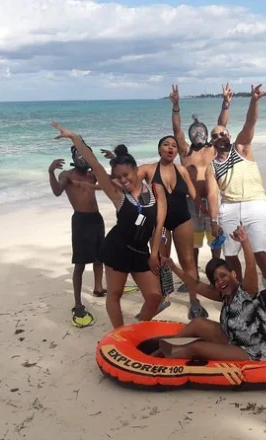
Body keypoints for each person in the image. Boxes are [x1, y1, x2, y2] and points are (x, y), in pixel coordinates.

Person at [51, 121, 167, 329]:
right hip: (117, 250)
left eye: (126, 175)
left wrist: (154, 253)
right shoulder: (117, 194)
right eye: (118, 177)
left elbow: (159, 224)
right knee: (114, 294)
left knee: (154, 296)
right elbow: (95, 164)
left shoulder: (155, 190)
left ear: (136, 169)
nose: (123, 180)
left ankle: (138, 328)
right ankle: (120, 333)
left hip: (141, 251)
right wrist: (74, 138)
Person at [102, 135, 206, 319]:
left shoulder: (181, 170)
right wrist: (116, 161)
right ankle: (163, 298)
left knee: (188, 261)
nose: (170, 148)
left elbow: (193, 194)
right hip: (159, 223)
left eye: (174, 145)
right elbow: (127, 178)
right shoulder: (148, 169)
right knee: (160, 261)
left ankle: (194, 301)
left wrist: (208, 214)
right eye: (166, 144)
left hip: (182, 219)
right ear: (159, 149)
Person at [155, 223, 266, 361]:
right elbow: (195, 285)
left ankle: (159, 363)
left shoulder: (247, 291)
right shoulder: (224, 295)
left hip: (255, 351)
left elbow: (251, 265)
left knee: (195, 348)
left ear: (233, 274)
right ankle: (160, 352)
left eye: (223, 276)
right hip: (234, 339)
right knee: (197, 323)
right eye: (216, 280)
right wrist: (173, 267)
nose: (220, 281)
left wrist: (245, 241)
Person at [206, 83, 266, 290]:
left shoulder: (241, 149)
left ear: (229, 136)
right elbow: (212, 195)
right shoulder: (212, 166)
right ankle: (241, 288)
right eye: (215, 136)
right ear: (211, 142)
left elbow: (250, 123)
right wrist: (213, 221)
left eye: (223, 134)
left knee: (260, 250)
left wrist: (254, 101)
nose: (219, 137)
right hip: (229, 208)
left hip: (255, 203)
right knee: (230, 254)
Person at [169, 84, 230, 278]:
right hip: (191, 203)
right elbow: (177, 130)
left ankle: (216, 272)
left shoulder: (212, 149)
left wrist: (225, 104)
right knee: (193, 243)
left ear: (205, 133)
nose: (198, 135)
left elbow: (222, 126)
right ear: (190, 135)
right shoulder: (185, 152)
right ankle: (193, 274)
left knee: (215, 240)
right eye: (194, 132)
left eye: (201, 132)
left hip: (212, 201)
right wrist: (176, 106)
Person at [48, 143, 106, 328]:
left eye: (86, 154)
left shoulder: (92, 174)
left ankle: (98, 288)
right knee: (80, 263)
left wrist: (114, 159)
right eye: (79, 154)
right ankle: (78, 303)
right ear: (73, 157)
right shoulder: (67, 175)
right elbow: (57, 191)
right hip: (81, 221)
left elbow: (109, 180)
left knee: (100, 257)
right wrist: (51, 172)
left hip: (96, 218)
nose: (82, 158)